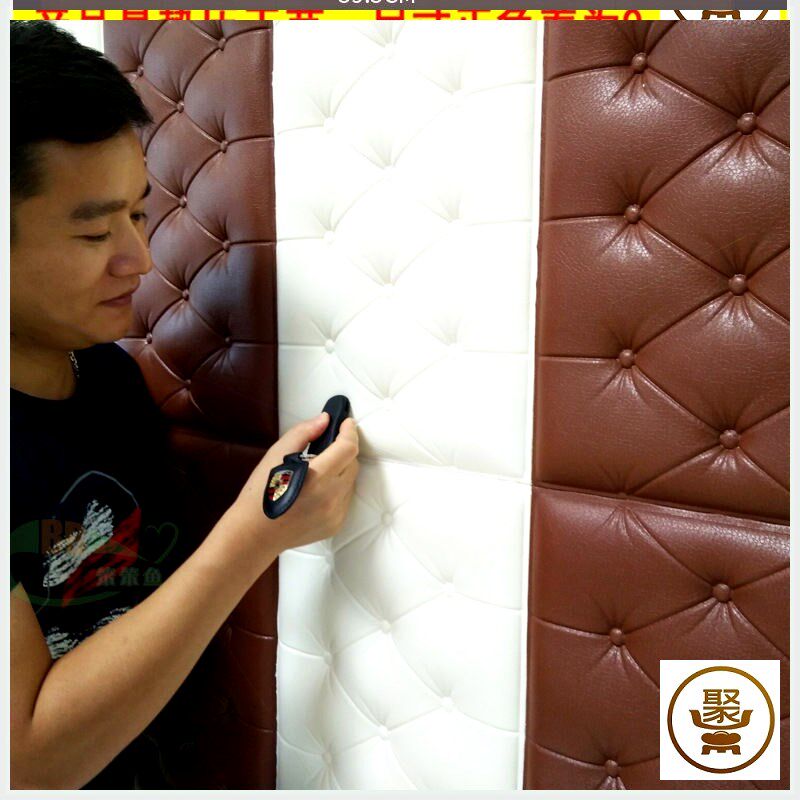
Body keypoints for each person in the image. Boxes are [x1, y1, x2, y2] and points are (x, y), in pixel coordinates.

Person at [9, 21, 360, 789]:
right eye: (94, 232)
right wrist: (251, 540)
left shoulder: (111, 379)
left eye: (138, 214)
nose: (138, 259)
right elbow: (24, 761)